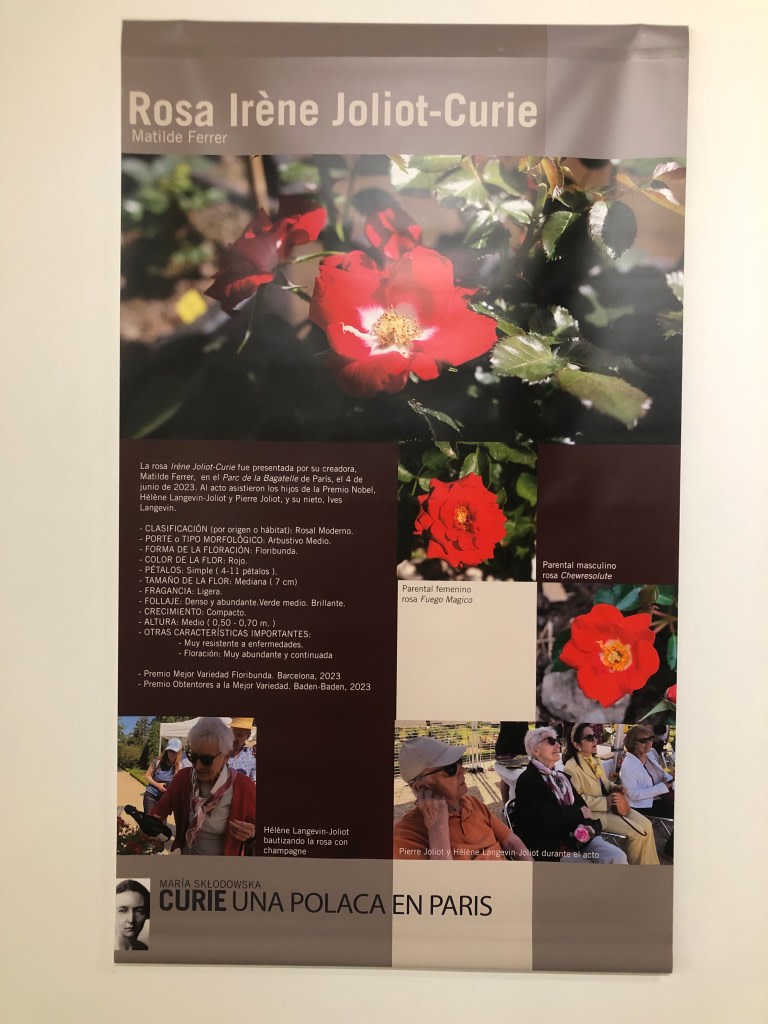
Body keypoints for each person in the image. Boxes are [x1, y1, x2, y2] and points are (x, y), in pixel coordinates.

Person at [393, 736, 531, 861]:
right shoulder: (405, 835)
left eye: (458, 761)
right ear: (420, 787)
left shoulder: (474, 804)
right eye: (450, 768)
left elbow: (511, 842)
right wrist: (437, 830)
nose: (463, 770)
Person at [512, 726, 627, 863]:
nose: (558, 745)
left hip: (578, 838)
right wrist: (579, 813)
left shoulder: (561, 777)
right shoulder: (528, 780)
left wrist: (590, 828)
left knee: (618, 857)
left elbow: (585, 809)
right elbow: (548, 817)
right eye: (550, 741)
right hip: (553, 845)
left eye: (557, 740)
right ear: (535, 750)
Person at [149, 717, 256, 856]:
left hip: (222, 868)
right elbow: (161, 808)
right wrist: (152, 822)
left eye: (206, 760)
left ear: (226, 757)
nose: (198, 766)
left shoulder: (243, 785)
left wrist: (251, 832)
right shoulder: (183, 777)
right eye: (193, 757)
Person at [563, 723, 659, 865]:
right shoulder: (571, 767)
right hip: (598, 815)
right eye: (589, 738)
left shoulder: (594, 759)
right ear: (577, 744)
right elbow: (577, 800)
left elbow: (605, 783)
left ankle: (651, 867)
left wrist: (618, 786)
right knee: (639, 833)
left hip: (614, 804)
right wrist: (605, 802)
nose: (595, 740)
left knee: (647, 824)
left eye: (595, 736)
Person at [143, 737, 183, 813]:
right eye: (170, 751)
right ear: (166, 750)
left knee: (161, 823)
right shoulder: (157, 761)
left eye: (174, 751)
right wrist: (157, 785)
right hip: (151, 795)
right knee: (149, 821)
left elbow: (177, 784)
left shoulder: (179, 766)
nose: (171, 753)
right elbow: (147, 775)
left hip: (165, 799)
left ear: (179, 752)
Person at [115, 879, 149, 950]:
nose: (131, 920)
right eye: (122, 911)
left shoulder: (144, 949)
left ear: (147, 914)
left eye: (139, 911)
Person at [228, 717, 257, 781]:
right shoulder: (220, 751)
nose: (234, 738)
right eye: (232, 734)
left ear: (248, 735)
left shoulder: (252, 757)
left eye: (239, 735)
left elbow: (253, 782)